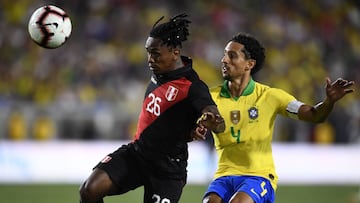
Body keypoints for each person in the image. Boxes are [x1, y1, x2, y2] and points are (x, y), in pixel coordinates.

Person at [79, 13, 225, 203]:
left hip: (167, 169)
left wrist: (211, 118)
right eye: (148, 52)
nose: (150, 59)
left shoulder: (192, 86)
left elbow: (211, 113)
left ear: (174, 52)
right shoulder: (161, 70)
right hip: (136, 154)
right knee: (89, 190)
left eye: (155, 54)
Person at [195, 32, 355, 203]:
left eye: (232, 56)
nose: (224, 60)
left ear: (249, 64)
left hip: (259, 177)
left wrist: (329, 101)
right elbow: (187, 126)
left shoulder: (270, 97)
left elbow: (314, 115)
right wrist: (195, 129)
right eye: (225, 54)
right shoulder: (210, 97)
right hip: (223, 176)